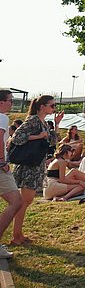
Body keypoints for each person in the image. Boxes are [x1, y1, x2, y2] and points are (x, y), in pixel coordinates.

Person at [9, 95, 64, 245]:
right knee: (24, 201)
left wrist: (57, 125)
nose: (54, 109)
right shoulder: (33, 120)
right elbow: (16, 137)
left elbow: (53, 141)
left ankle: (18, 234)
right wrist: (38, 136)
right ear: (42, 106)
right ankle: (16, 236)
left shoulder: (44, 122)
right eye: (52, 106)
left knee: (26, 201)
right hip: (29, 166)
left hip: (36, 165)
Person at [0, 91, 22, 258]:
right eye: (10, 100)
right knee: (16, 202)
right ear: (1, 102)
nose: (12, 103)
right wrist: (2, 161)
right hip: (0, 167)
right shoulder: (2, 117)